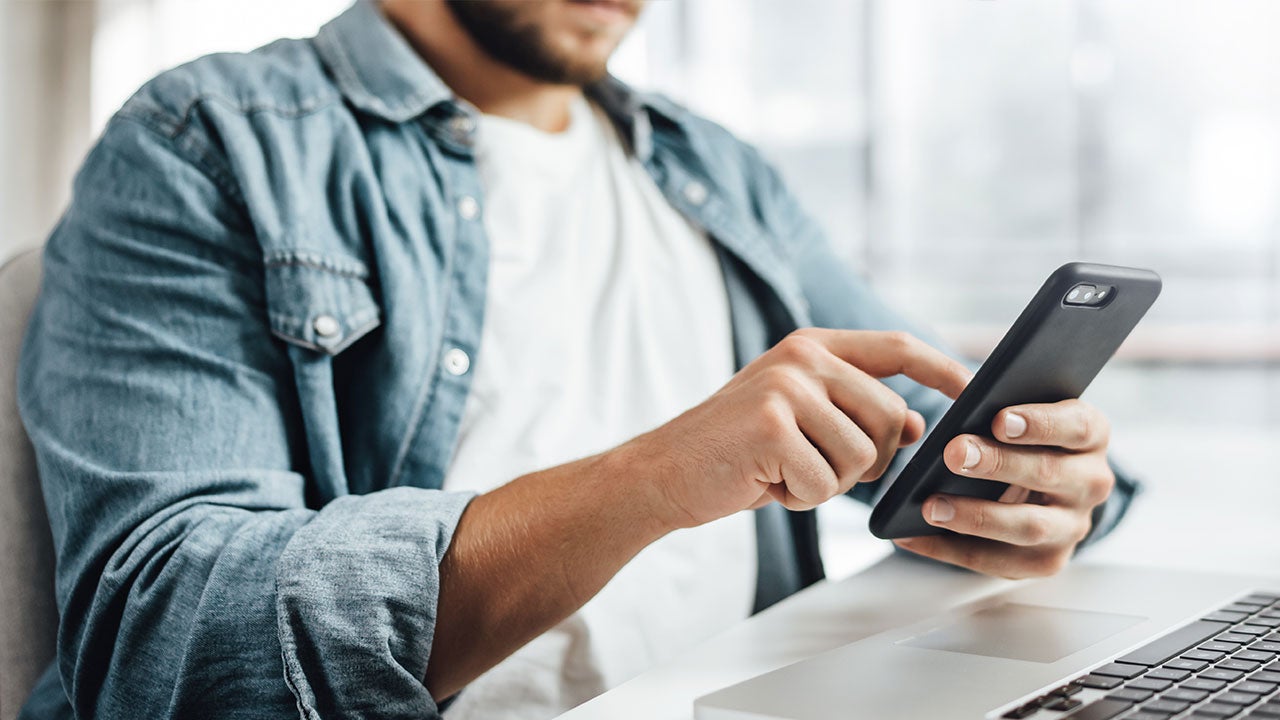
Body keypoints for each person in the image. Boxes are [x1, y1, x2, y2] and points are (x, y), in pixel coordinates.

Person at [16, 1, 1137, 718]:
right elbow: (158, 640)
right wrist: (645, 481)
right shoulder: (210, 138)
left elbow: (926, 442)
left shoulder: (710, 166)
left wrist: (1033, 485)